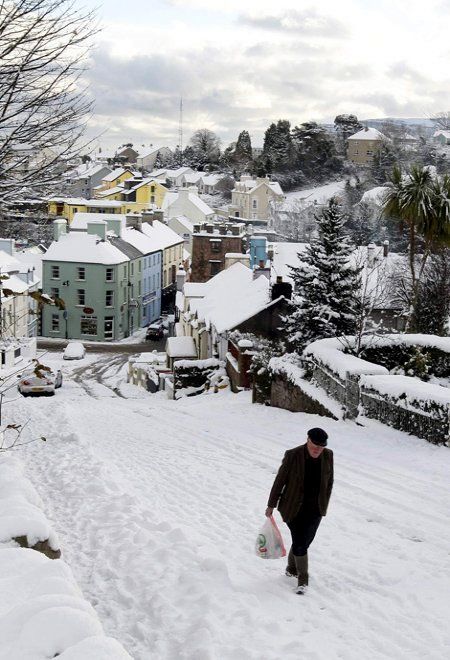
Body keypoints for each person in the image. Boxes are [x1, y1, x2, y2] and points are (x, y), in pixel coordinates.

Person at [265, 427, 333, 594]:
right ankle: (303, 580)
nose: (318, 449)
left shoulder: (328, 455)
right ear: (307, 440)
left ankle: (291, 567)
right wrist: (271, 505)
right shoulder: (293, 455)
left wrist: (324, 503)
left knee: (304, 541)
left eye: (321, 446)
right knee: (301, 542)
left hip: (315, 508)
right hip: (292, 507)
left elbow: (329, 481)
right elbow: (279, 481)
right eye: (315, 445)